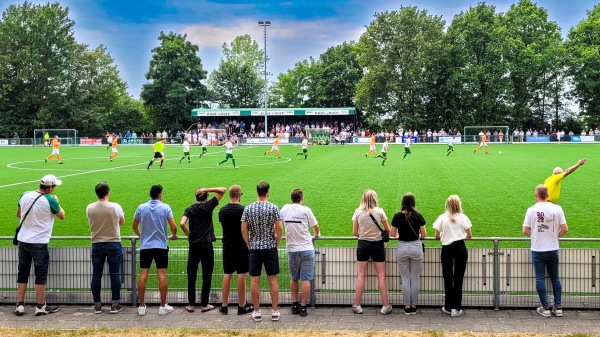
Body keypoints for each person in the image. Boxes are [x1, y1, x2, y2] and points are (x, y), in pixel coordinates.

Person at [14, 174, 65, 316]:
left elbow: (19, 214)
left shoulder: (24, 195)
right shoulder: (50, 200)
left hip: (23, 240)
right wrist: (57, 202)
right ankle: (40, 306)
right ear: (49, 188)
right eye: (53, 187)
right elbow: (62, 216)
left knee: (22, 272)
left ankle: (20, 304)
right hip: (39, 242)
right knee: (40, 274)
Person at [523, 185, 568, 318]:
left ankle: (545, 307)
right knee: (555, 278)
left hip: (538, 249)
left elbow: (525, 230)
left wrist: (535, 236)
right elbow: (565, 229)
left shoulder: (531, 210)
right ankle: (558, 307)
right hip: (553, 248)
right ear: (548, 195)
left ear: (536, 196)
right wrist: (555, 236)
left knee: (540, 278)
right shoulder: (557, 208)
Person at [132, 184, 178, 316]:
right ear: (160, 194)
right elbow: (173, 227)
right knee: (162, 276)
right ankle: (162, 306)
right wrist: (173, 236)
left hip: (146, 246)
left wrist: (142, 236)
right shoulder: (165, 207)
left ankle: (141, 306)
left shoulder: (141, 207)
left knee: (143, 276)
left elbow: (134, 225)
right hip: (161, 246)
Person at [179, 186, 226, 313]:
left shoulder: (189, 209)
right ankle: (204, 304)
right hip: (206, 244)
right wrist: (208, 189)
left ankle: (191, 305)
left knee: (192, 275)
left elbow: (182, 223)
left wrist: (190, 235)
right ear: (206, 196)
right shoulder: (209, 206)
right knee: (207, 275)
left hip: (194, 245)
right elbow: (223, 190)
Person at [241, 181, 283, 322]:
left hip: (255, 247)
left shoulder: (248, 208)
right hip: (269, 246)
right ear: (267, 192)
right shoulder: (273, 207)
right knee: (272, 279)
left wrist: (249, 243)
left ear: (257, 192)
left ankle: (257, 311)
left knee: (254, 280)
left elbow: (243, 229)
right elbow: (279, 227)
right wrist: (276, 243)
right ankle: (275, 311)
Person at [86, 181, 125, 314]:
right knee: (115, 274)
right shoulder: (115, 206)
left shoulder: (89, 207)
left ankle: (97, 305)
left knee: (96, 274)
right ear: (108, 192)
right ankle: (115, 304)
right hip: (113, 242)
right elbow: (122, 222)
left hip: (96, 243)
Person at [280, 188, 320, 317]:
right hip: (307, 248)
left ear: (291, 198)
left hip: (292, 249)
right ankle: (303, 307)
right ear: (301, 199)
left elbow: (279, 223)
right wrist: (316, 235)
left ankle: (294, 304)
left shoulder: (285, 209)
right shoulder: (305, 210)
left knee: (294, 278)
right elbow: (315, 226)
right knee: (306, 279)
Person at [351, 189, 392, 315]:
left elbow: (355, 232)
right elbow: (388, 229)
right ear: (375, 198)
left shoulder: (358, 212)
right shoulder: (380, 211)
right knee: (381, 275)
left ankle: (357, 305)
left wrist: (364, 235)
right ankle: (385, 305)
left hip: (363, 244)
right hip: (377, 245)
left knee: (361, 275)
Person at [433, 195, 472, 317]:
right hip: (460, 247)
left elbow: (436, 235)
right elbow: (469, 235)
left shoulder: (442, 218)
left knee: (448, 278)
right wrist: (458, 235)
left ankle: (448, 306)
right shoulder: (463, 218)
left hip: (447, 248)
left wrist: (445, 236)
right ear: (458, 204)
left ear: (447, 205)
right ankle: (456, 308)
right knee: (458, 278)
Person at [218, 185, 253, 315]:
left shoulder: (222, 211)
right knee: (241, 275)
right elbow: (246, 228)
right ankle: (242, 305)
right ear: (239, 195)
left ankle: (224, 304)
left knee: (227, 274)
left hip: (227, 245)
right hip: (241, 245)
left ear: (229, 195)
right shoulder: (244, 210)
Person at [390, 192, 426, 315]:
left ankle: (406, 306)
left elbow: (392, 234)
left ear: (403, 203)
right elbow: (424, 234)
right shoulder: (418, 216)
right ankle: (414, 305)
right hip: (416, 247)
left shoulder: (397, 216)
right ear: (413, 203)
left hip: (402, 247)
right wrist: (418, 235)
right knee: (414, 278)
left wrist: (399, 234)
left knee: (405, 279)